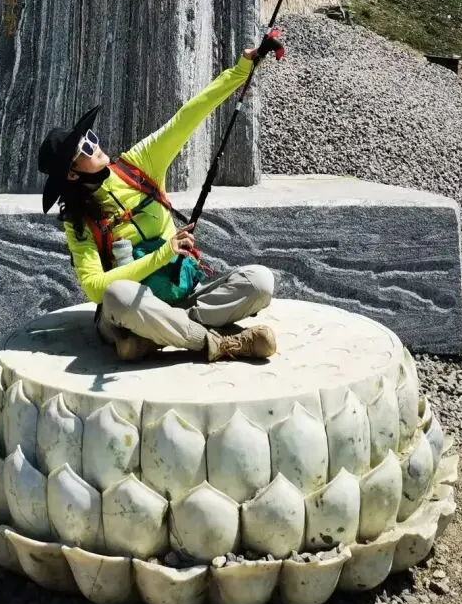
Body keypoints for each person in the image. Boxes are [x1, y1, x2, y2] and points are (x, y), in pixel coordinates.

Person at [39, 44, 281, 364]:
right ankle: (222, 344)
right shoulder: (78, 221)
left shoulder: (138, 164)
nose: (94, 145)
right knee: (117, 295)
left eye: (90, 138)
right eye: (83, 148)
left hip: (182, 293)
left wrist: (240, 72)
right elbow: (95, 289)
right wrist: (163, 254)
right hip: (133, 307)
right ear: (71, 174)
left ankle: (156, 336)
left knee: (259, 282)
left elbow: (188, 116)